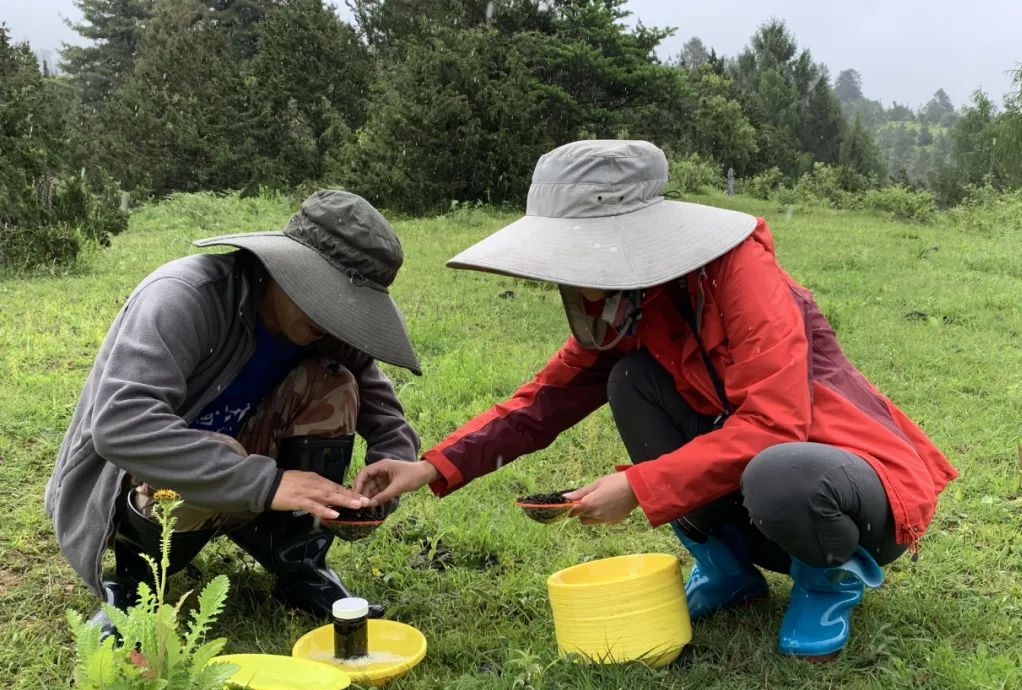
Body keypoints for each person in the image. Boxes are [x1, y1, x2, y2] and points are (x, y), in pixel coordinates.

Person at [354, 140, 958, 661]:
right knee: (630, 381)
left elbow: (775, 425)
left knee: (782, 470)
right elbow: (544, 401)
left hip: (851, 486)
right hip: (764, 483)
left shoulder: (738, 273)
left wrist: (639, 488)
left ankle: (829, 582)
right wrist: (429, 466)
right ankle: (727, 567)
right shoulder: (630, 301)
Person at [45, 190, 422, 638]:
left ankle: (299, 566)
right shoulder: (184, 297)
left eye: (344, 307)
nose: (334, 318)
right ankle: (134, 585)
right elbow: (121, 425)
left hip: (242, 478)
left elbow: (386, 417)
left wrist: (390, 462)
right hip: (146, 489)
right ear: (286, 269)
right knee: (215, 448)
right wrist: (271, 482)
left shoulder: (331, 332)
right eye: (325, 298)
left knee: (335, 385)